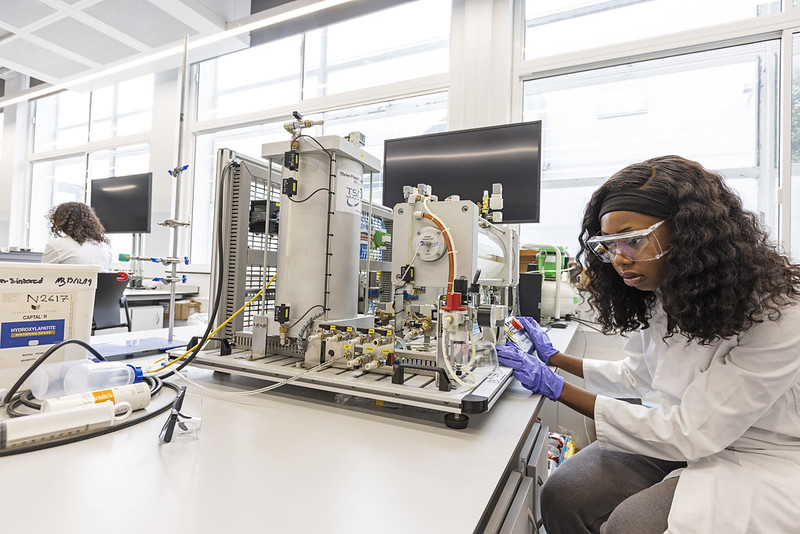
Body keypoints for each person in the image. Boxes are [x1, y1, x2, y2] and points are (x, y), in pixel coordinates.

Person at [497, 155, 800, 533]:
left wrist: (558, 389)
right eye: (610, 245)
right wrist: (556, 358)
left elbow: (691, 432)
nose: (619, 260)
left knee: (631, 525)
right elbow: (638, 375)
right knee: (564, 492)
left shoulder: (779, 312)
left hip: (761, 455)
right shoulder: (666, 292)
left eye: (634, 241)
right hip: (684, 437)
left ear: (688, 233)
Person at [42, 202, 112, 270]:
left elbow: (42, 273)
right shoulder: (105, 247)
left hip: (68, 278)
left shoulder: (56, 246)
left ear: (62, 221)